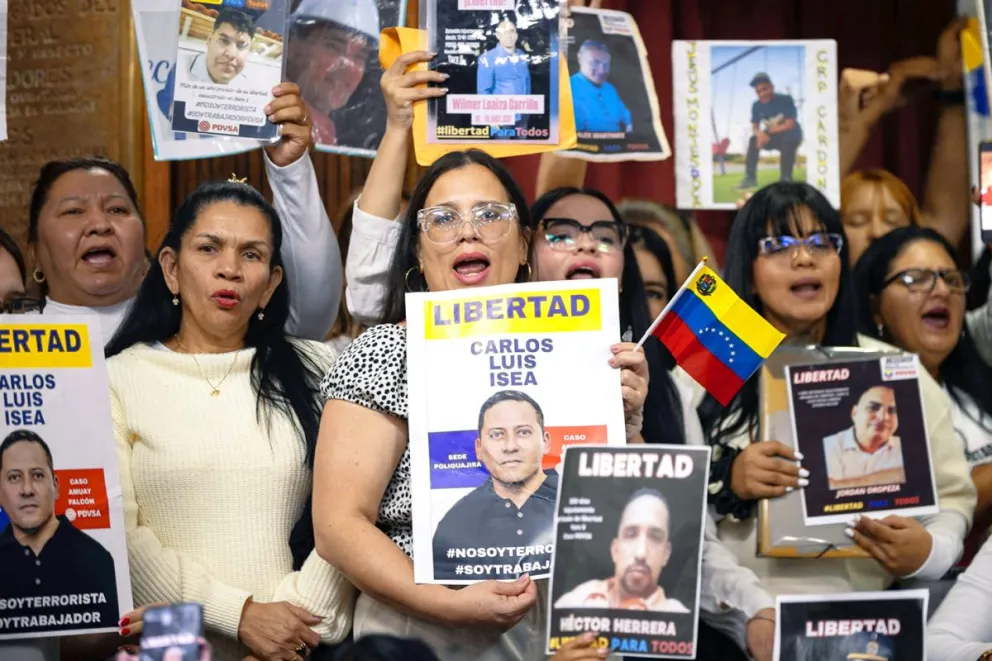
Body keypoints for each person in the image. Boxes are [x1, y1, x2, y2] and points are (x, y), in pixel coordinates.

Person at [105, 180, 354, 661]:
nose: (229, 270)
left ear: (272, 282)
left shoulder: (316, 367)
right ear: (172, 270)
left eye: (252, 255)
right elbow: (121, 535)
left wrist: (289, 635)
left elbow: (353, 515)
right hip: (172, 651)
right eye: (209, 248)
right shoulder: (117, 378)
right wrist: (237, 616)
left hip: (297, 649)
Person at [695, 182, 975, 600]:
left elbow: (953, 498)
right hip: (735, 620)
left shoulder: (896, 371)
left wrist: (929, 553)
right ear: (748, 272)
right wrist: (727, 484)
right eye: (778, 244)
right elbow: (668, 510)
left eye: (822, 242)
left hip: (865, 616)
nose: (804, 257)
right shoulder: (703, 374)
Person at [25, 82, 340, 344]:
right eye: (73, 211)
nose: (99, 224)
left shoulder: (202, 330)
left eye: (117, 209)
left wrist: (290, 169)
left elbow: (310, 318)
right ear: (35, 254)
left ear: (161, 258)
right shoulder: (10, 346)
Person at [853, 226, 992, 558]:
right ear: (875, 308)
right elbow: (919, 505)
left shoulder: (979, 379)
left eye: (952, 279)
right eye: (915, 279)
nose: (941, 290)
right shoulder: (865, 402)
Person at [0, 430, 120, 634]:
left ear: (55, 486)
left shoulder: (96, 559)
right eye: (14, 478)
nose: (27, 489)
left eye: (37, 475)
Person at [432, 390, 557, 580]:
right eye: (497, 434)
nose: (510, 446)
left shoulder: (582, 501)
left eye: (523, 432)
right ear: (479, 449)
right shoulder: (457, 520)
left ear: (545, 442)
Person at [554, 489, 689, 613]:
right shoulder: (575, 602)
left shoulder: (679, 618)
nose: (641, 554)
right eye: (631, 534)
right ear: (615, 550)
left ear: (666, 554)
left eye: (655, 537)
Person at [285, 0, 379, 146]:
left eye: (360, 56)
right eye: (333, 46)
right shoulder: (268, 118)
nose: (348, 66)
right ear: (292, 45)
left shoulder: (325, 130)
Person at [822, 386, 906, 489]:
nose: (884, 417)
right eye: (873, 408)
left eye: (892, 411)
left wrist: (840, 484)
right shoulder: (828, 446)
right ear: (854, 413)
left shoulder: (907, 447)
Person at [738, 73, 803, 190]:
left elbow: (790, 124)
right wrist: (760, 134)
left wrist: (767, 132)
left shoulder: (785, 99)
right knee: (753, 140)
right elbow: (755, 126)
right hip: (773, 137)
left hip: (792, 135)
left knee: (787, 138)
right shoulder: (756, 106)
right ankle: (750, 178)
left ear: (772, 87)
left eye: (765, 89)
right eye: (758, 91)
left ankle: (786, 179)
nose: (762, 94)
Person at [570, 40, 632, 134]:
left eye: (606, 64)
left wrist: (629, 126)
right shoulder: (566, 88)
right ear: (580, 60)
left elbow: (625, 115)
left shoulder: (610, 88)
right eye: (595, 63)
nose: (602, 70)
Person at [184, 8, 254, 86]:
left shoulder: (246, 87)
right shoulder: (177, 70)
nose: (231, 54)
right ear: (209, 41)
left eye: (241, 46)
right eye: (224, 41)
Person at [476, 19, 531, 98]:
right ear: (498, 36)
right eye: (504, 32)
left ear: (516, 35)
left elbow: (527, 82)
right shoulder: (487, 59)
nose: (509, 35)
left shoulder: (522, 55)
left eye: (512, 31)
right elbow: (483, 94)